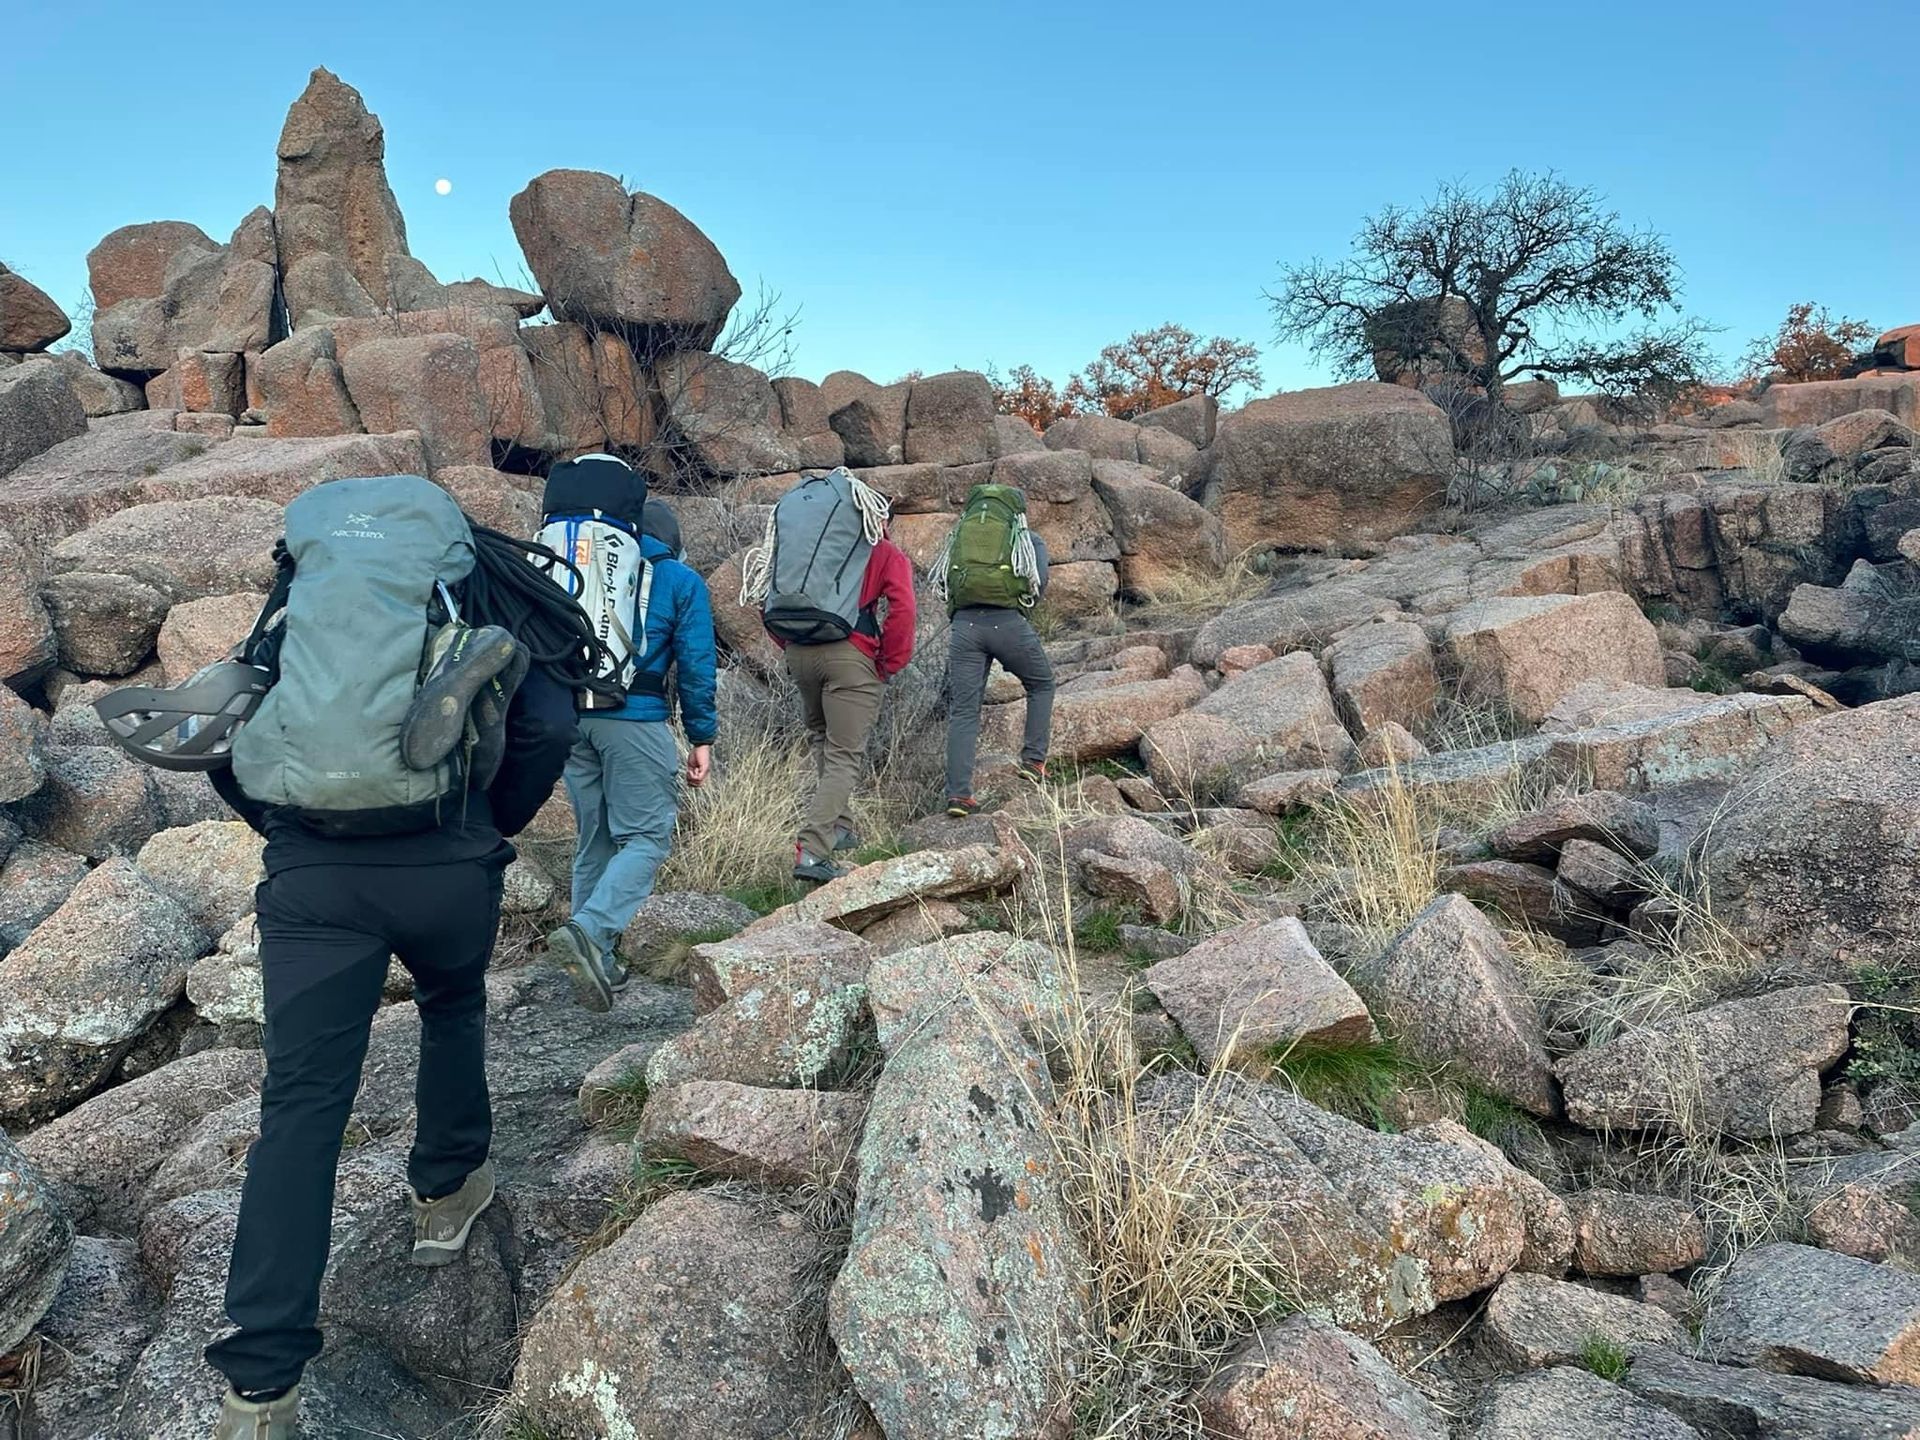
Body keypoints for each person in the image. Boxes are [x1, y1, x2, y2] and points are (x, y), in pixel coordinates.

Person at [99, 481, 600, 1440]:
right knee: (453, 1003)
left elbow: (223, 733)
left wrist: (286, 833)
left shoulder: (297, 616)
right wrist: (488, 831)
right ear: (445, 543)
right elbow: (548, 725)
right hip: (447, 860)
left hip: (313, 881)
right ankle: (445, 1194)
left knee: (301, 1105)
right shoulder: (472, 600)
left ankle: (260, 1384)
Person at [537, 454, 718, 1011]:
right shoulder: (678, 579)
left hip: (571, 718)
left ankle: (598, 960)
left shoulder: (584, 563)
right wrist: (701, 736)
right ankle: (591, 932)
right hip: (632, 719)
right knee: (645, 837)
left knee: (596, 839)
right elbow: (695, 664)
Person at [743, 468, 916, 883]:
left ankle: (840, 827)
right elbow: (903, 609)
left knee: (823, 739)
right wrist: (888, 661)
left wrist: (791, 646)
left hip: (800, 654)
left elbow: (768, 595)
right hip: (850, 656)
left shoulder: (805, 550)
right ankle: (812, 850)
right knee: (845, 755)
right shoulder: (882, 553)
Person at [931, 482, 1054, 816]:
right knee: (1041, 684)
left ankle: (958, 795)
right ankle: (1033, 761)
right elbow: (1038, 583)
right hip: (1008, 624)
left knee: (964, 710)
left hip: (965, 627)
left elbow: (945, 580)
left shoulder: (960, 536)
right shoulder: (1027, 539)